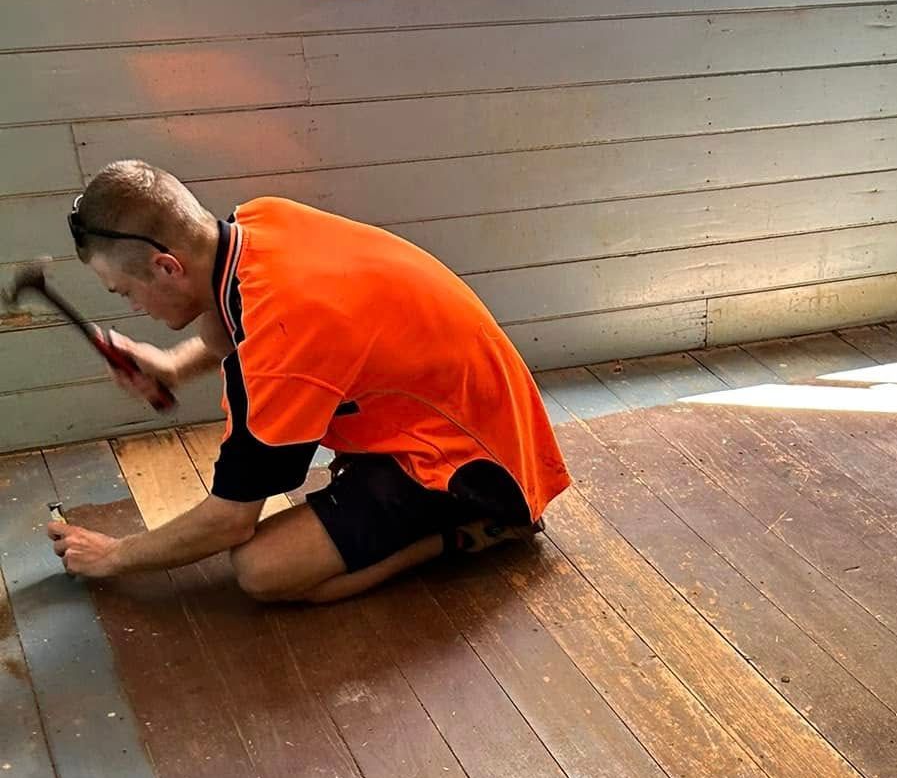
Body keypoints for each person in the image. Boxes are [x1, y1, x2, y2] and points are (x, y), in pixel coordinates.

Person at [48, 161, 570, 603]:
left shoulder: (282, 339)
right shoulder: (259, 222)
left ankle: (473, 529)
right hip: (474, 408)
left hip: (471, 464)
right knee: (221, 327)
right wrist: (172, 366)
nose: (132, 307)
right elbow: (230, 323)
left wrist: (114, 555)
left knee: (264, 569)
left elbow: (230, 520)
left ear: (167, 267)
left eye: (124, 292)